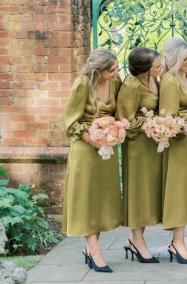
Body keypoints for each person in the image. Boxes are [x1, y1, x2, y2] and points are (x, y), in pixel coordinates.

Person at [62, 48, 121, 273]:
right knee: (87, 200)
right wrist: (94, 139)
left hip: (107, 150)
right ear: (99, 71)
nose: (116, 73)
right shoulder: (82, 84)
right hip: (86, 150)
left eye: (117, 69)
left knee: (100, 199)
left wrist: (115, 131)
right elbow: (70, 121)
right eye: (112, 70)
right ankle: (95, 251)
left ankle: (90, 248)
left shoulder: (115, 83)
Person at [116, 47, 163, 264]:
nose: (161, 67)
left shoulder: (155, 80)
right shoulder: (131, 85)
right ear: (145, 69)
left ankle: (134, 239)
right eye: (157, 65)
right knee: (137, 192)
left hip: (153, 145)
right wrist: (151, 124)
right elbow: (124, 119)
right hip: (137, 147)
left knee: (147, 192)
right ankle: (138, 241)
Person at [159, 38, 187, 264]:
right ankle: (177, 242)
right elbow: (168, 119)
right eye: (185, 59)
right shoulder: (169, 81)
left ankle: (179, 241)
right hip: (178, 144)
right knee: (179, 192)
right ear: (174, 59)